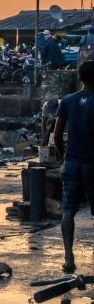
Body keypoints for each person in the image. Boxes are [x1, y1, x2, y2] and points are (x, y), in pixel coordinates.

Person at [50, 61, 94, 274]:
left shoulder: (67, 101)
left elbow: (57, 134)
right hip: (92, 165)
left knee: (68, 211)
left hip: (72, 162)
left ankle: (69, 258)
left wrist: (62, 156)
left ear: (80, 77)